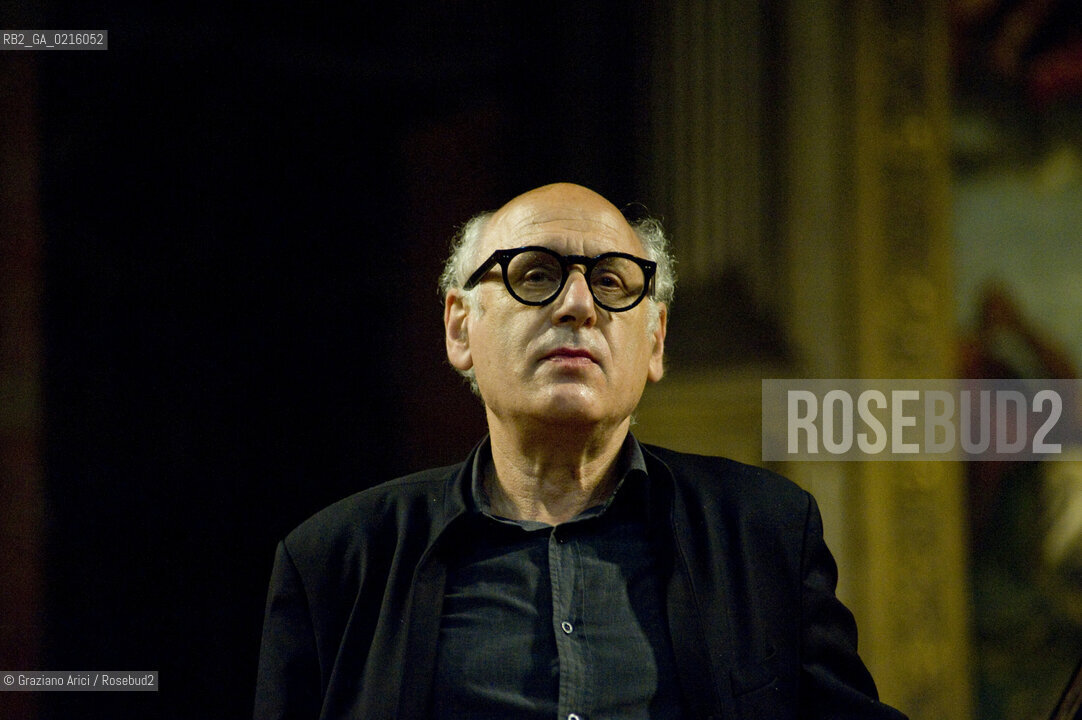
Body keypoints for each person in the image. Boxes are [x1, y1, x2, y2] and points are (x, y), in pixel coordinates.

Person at [254, 183, 908, 719]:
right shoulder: (337, 559)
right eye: (535, 274)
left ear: (654, 343)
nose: (577, 305)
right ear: (460, 327)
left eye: (614, 283)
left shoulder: (764, 532)